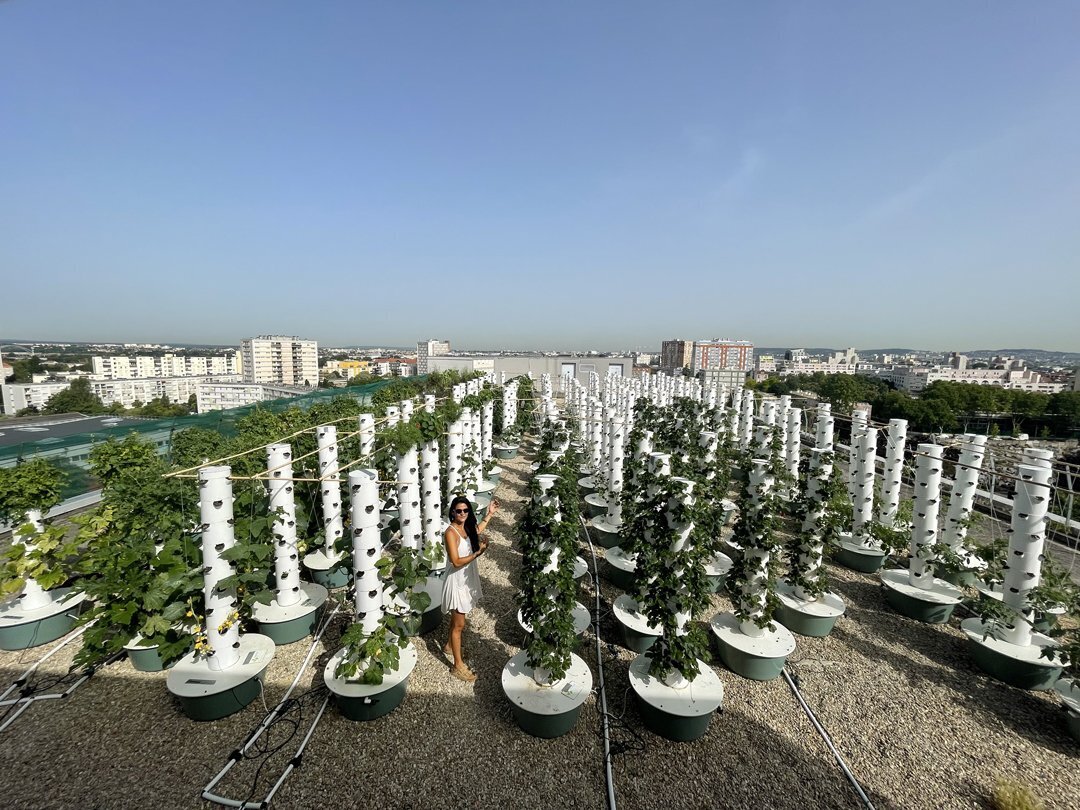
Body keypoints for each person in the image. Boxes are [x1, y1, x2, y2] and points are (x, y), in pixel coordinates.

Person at [442, 494, 498, 682]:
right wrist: (477, 553)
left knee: (457, 618)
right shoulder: (450, 533)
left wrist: (489, 514)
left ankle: (449, 646)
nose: (462, 513)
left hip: (465, 579)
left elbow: (477, 529)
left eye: (466, 510)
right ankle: (457, 665)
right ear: (452, 512)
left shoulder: (466, 527)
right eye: (459, 511)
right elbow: (456, 561)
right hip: (457, 581)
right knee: (459, 625)